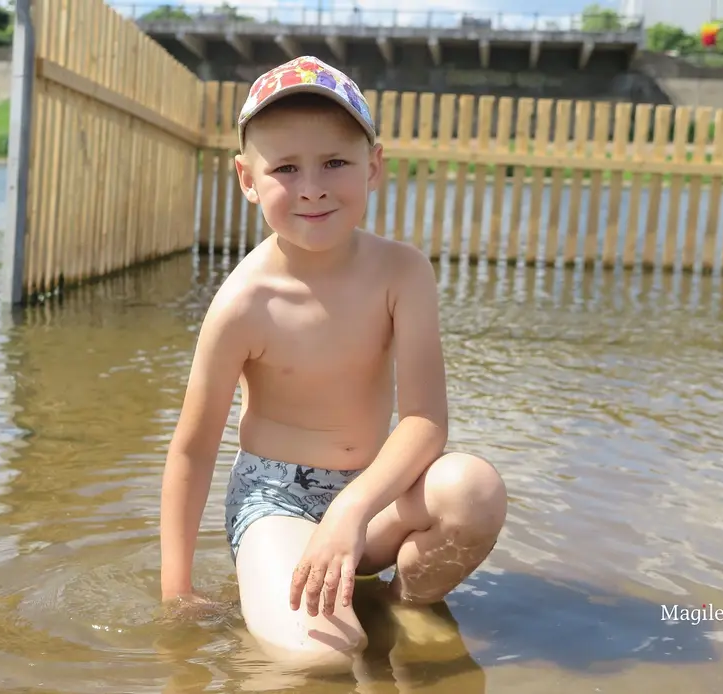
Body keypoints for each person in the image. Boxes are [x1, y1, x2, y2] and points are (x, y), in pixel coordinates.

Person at [158, 55, 509, 670]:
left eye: (335, 163)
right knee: (320, 658)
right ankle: (298, 612)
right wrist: (177, 589)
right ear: (246, 178)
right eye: (286, 168)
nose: (312, 187)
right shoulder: (245, 302)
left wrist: (352, 508)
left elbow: (424, 420)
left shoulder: (403, 272)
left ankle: (406, 604)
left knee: (473, 489)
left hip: (375, 496)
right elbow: (194, 447)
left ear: (373, 166)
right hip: (278, 500)